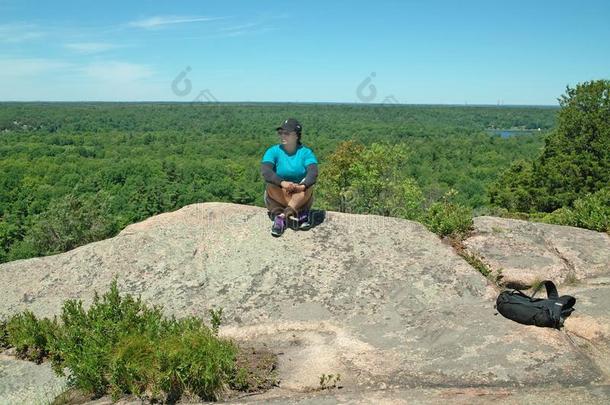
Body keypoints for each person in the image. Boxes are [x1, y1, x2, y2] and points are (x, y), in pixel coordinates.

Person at [260, 118, 319, 237]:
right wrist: (282, 183)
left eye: (286, 133)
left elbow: (313, 173)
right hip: (278, 195)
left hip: (299, 195)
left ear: (297, 136)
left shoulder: (305, 153)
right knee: (271, 183)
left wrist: (301, 186)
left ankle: (282, 217)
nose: (282, 135)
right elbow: (266, 171)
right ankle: (300, 214)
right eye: (281, 132)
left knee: (307, 186)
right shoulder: (273, 151)